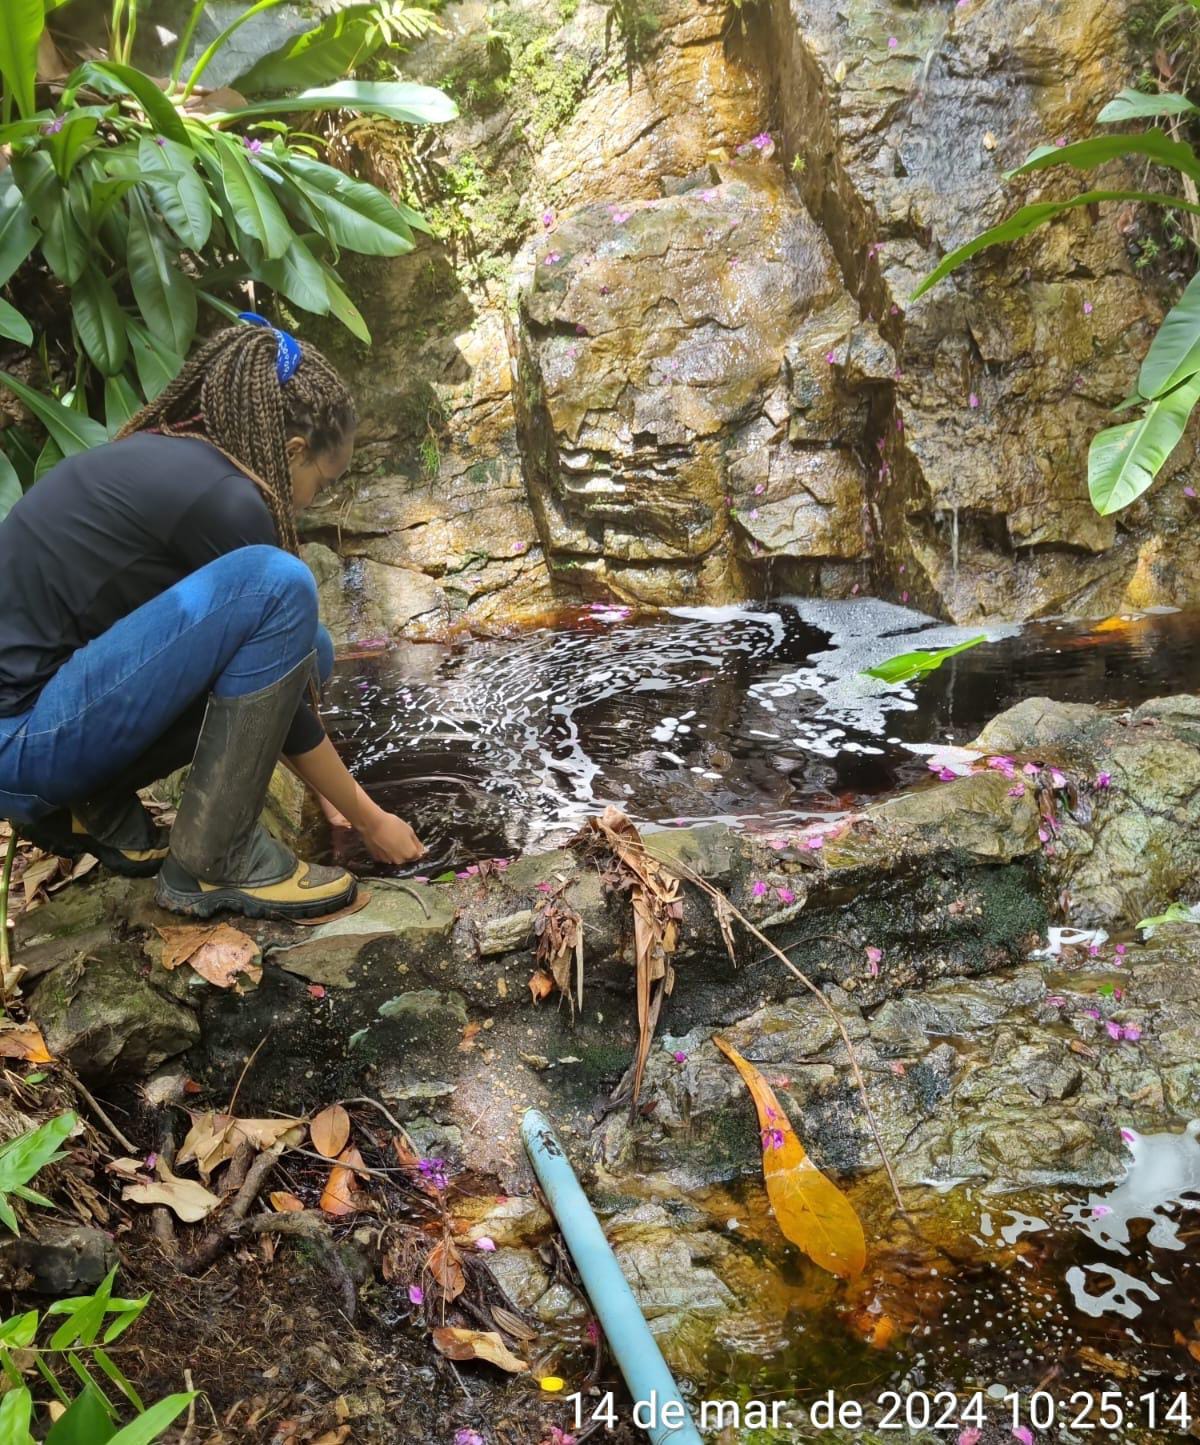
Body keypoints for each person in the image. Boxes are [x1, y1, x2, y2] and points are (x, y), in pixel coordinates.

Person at [0, 317, 425, 921]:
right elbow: (279, 689)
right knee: (282, 588)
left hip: (33, 720)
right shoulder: (227, 499)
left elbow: (261, 674)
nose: (315, 501)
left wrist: (328, 794)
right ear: (293, 452)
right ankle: (214, 859)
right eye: (322, 483)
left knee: (315, 647)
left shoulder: (179, 456)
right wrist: (367, 817)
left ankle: (93, 801)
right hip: (21, 742)